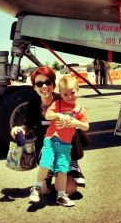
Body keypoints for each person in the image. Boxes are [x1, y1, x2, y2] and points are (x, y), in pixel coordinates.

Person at [10, 66, 87, 196]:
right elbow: (27, 125)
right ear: (34, 87)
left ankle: (62, 176)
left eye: (48, 82)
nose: (44, 86)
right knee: (44, 192)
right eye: (39, 83)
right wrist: (19, 128)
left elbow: (78, 116)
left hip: (65, 148)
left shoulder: (62, 99)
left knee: (69, 190)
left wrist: (73, 123)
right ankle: (45, 179)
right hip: (46, 149)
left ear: (53, 84)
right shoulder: (33, 105)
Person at [29, 75, 89, 207]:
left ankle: (61, 195)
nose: (69, 96)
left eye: (72, 92)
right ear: (60, 94)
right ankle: (37, 188)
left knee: (62, 170)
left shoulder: (79, 109)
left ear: (77, 90)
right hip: (51, 141)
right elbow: (48, 115)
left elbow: (86, 126)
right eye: (65, 94)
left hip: (65, 146)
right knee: (46, 163)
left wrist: (76, 122)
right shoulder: (57, 104)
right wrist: (58, 115)